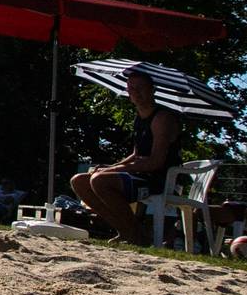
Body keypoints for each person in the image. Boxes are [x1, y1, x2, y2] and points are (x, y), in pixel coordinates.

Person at [70, 65, 181, 245]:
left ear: (152, 90)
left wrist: (112, 170)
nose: (135, 92)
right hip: (138, 174)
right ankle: (126, 230)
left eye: (140, 88)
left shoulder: (162, 118)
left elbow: (156, 161)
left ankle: (136, 235)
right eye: (131, 88)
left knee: (99, 180)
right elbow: (136, 154)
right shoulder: (139, 118)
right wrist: (109, 168)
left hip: (158, 179)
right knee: (79, 181)